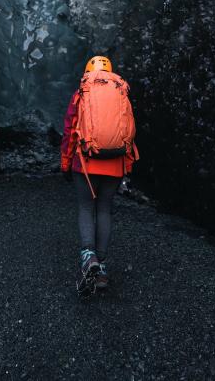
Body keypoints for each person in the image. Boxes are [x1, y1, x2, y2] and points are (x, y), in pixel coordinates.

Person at [61, 55, 138, 292]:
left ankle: (88, 255)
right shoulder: (121, 92)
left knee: (86, 207)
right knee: (104, 209)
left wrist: (65, 163)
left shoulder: (81, 93)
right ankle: (101, 266)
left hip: (85, 161)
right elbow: (129, 130)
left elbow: (69, 130)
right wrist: (127, 166)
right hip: (114, 164)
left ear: (87, 71)